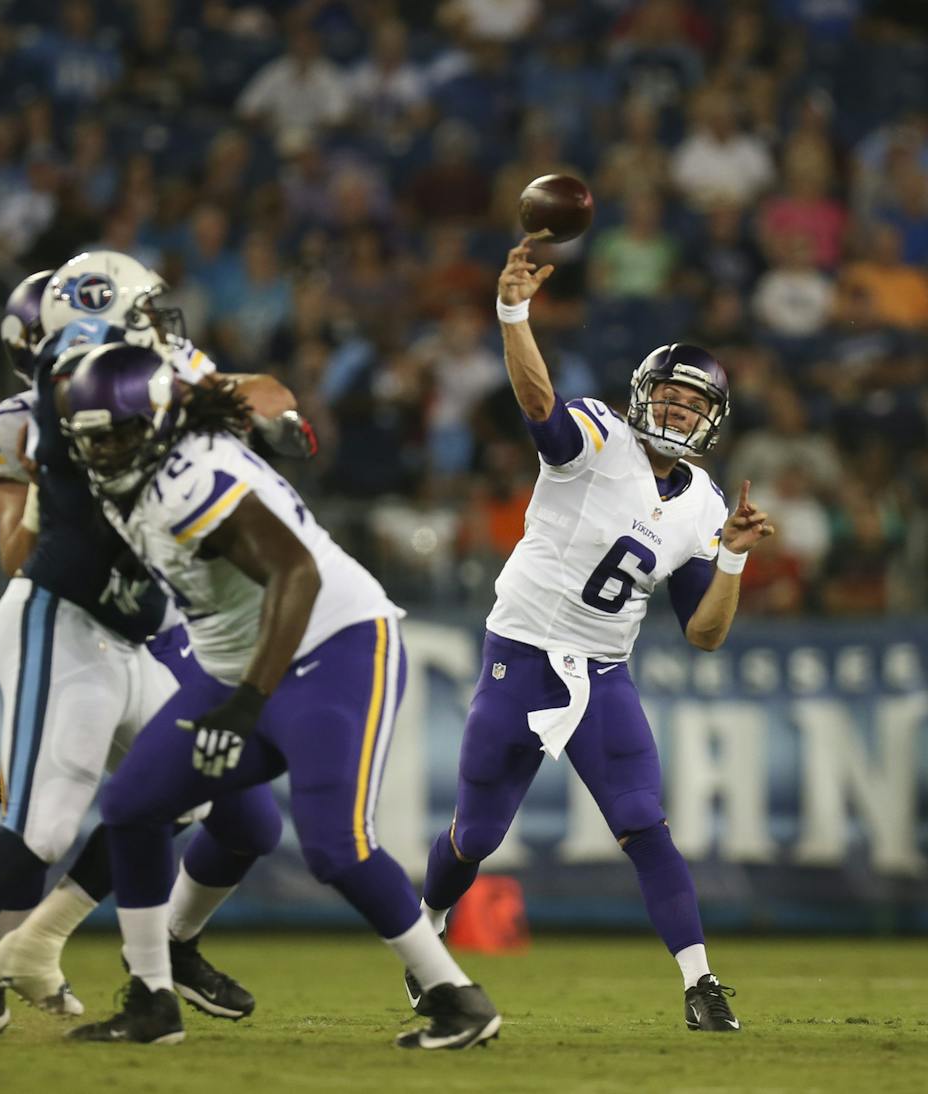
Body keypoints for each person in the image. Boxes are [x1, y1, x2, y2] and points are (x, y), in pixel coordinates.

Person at [0, 259, 294, 1043]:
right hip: (60, 615)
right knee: (43, 827)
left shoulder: (157, 372)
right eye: (143, 315)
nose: (164, 330)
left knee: (183, 792)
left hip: (133, 633)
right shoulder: (56, 395)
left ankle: (35, 945)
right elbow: (21, 548)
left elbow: (259, 390)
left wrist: (249, 408)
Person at [58, 342, 500, 1050]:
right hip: (234, 659)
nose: (106, 451)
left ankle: (456, 997)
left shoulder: (186, 477)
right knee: (133, 806)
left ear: (158, 423)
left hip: (335, 644)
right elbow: (249, 391)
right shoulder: (143, 451)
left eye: (118, 434)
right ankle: (151, 997)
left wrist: (244, 703)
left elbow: (297, 573)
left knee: (337, 845)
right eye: (94, 438)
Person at [414, 236, 776, 1034]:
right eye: (671, 398)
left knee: (644, 822)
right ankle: (428, 935)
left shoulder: (705, 507)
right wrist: (514, 311)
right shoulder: (597, 437)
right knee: (475, 835)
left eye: (694, 405)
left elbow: (706, 635)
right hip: (521, 651)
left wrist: (734, 564)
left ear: (712, 420)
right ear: (644, 396)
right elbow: (537, 399)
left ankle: (701, 982)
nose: (680, 412)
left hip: (603, 671)